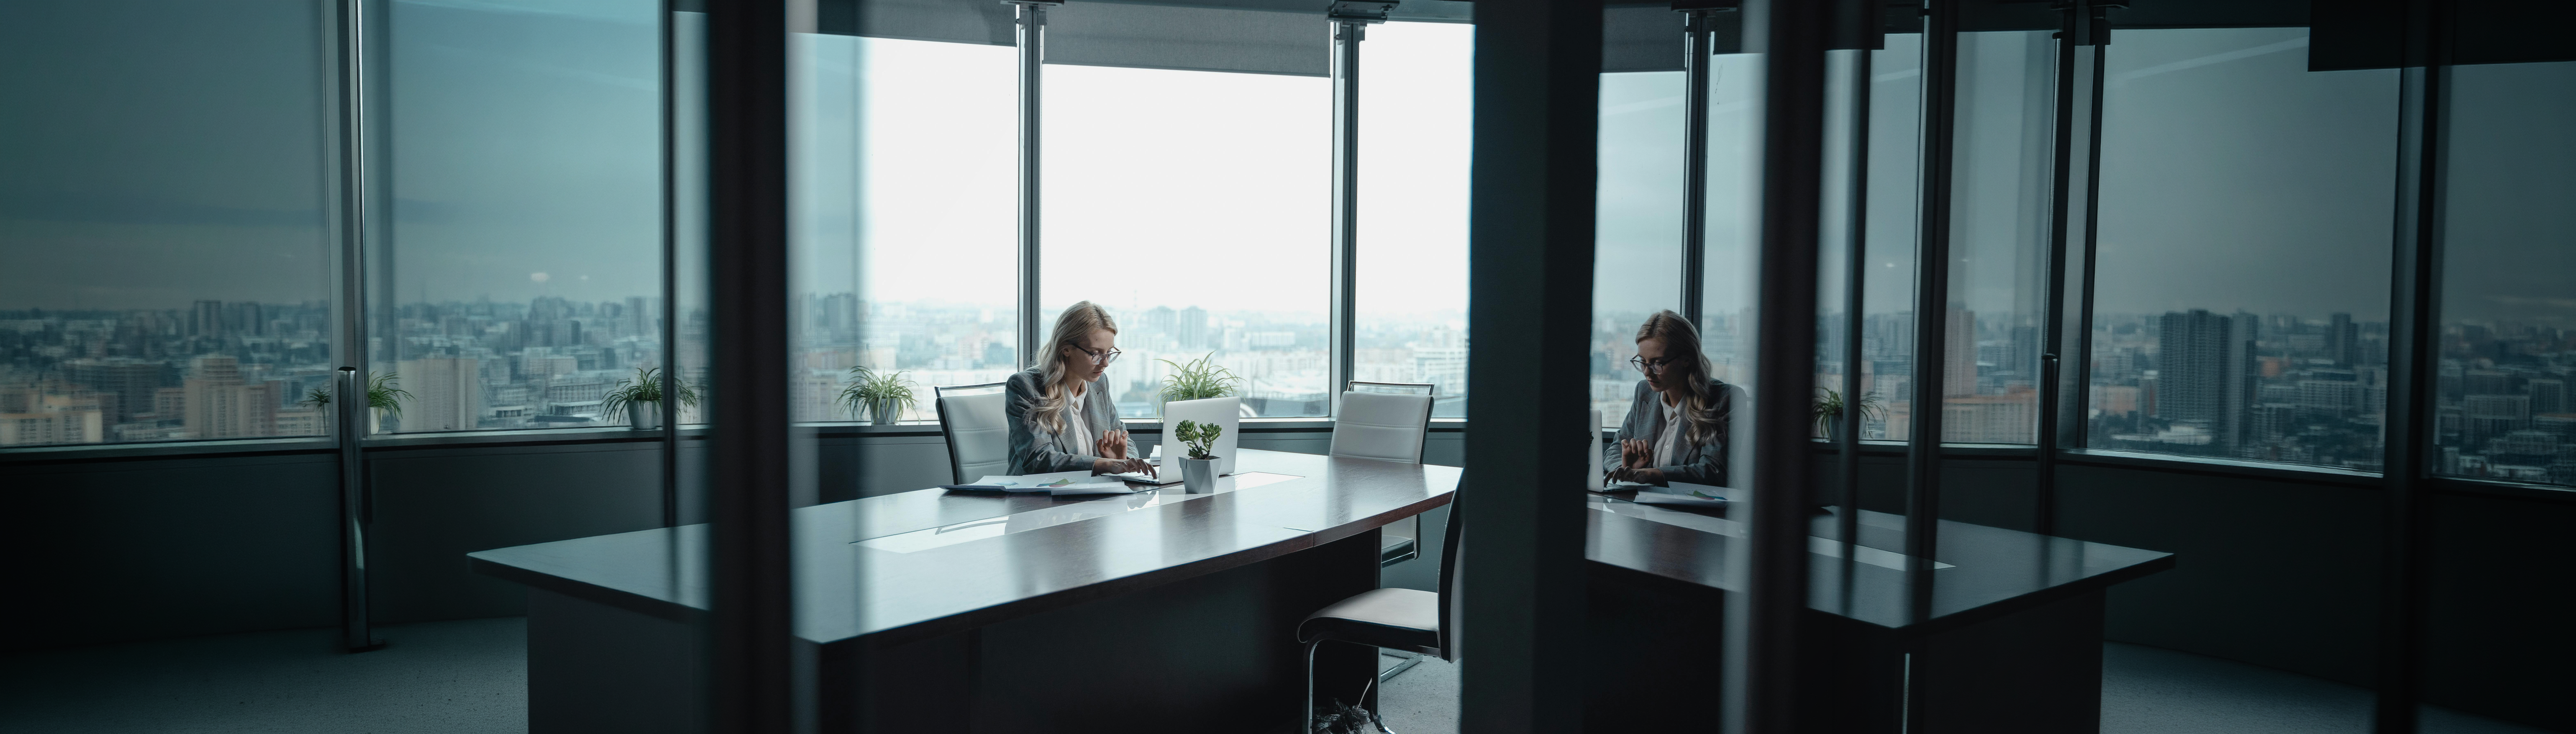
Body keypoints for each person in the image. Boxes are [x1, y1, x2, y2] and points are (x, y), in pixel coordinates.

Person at [1008, 301, 1154, 477]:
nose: (1106, 363)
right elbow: (1039, 460)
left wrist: (1121, 460)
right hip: (1036, 499)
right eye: (1096, 354)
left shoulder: (1099, 384)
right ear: (1067, 349)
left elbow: (1126, 440)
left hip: (1091, 496)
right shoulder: (1026, 386)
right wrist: (1104, 464)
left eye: (1109, 353)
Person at [1605, 310, 1736, 487]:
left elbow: (1713, 470)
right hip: (1643, 508)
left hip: (1694, 513)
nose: (1646, 372)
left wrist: (1653, 475)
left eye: (1657, 364)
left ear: (1687, 360)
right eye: (1642, 362)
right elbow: (1614, 449)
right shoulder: (1645, 393)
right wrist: (1626, 470)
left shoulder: (1724, 399)